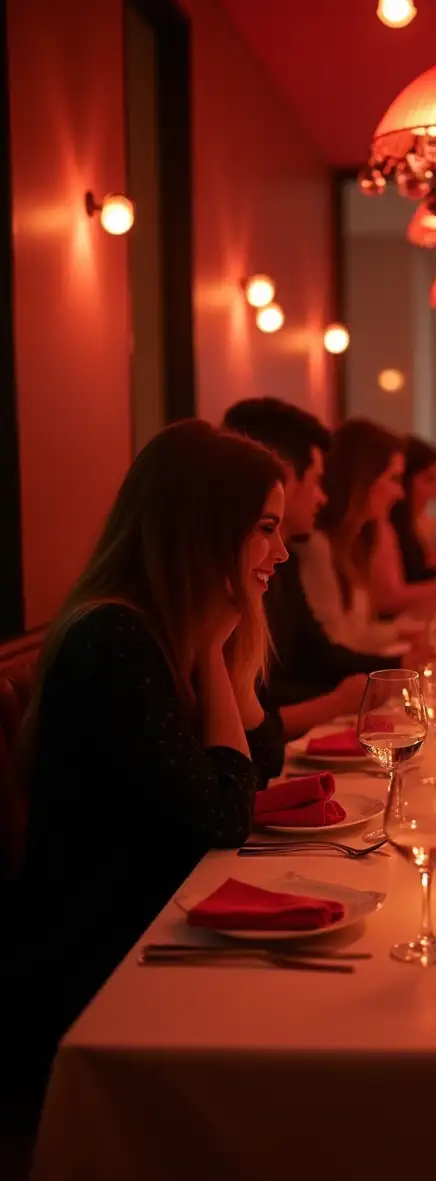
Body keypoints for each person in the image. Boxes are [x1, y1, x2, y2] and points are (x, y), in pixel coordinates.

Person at [17, 420, 288, 1063]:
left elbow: (262, 760)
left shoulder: (164, 627)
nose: (280, 556)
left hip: (161, 924)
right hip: (103, 970)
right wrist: (214, 656)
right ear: (204, 530)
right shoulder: (114, 639)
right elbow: (223, 816)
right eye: (267, 530)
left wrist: (221, 643)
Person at [223, 399, 400, 730]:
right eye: (317, 480)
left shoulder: (284, 561)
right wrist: (339, 701)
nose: (323, 496)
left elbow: (315, 652)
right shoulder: (225, 582)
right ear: (283, 477)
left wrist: (398, 671)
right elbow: (257, 706)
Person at [303, 418, 413, 653]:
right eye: (394, 479)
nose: (400, 494)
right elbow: (335, 648)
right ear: (363, 478)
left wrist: (408, 632)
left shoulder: (356, 544)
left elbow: (356, 635)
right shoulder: (316, 546)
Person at [370, 435, 436, 616]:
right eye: (429, 480)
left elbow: (415, 575)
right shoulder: (382, 526)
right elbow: (388, 599)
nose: (435, 493)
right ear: (406, 478)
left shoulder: (417, 523)